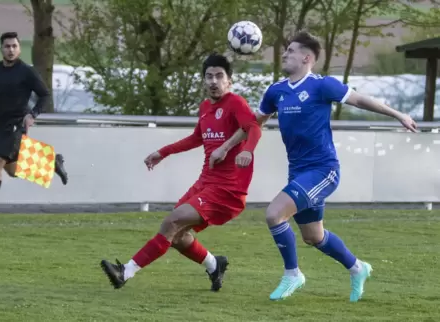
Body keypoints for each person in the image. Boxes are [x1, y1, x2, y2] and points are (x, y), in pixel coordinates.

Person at [212, 31, 417, 302]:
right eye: (286, 51)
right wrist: (226, 147)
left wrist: (398, 114)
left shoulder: (322, 86)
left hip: (323, 170)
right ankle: (358, 268)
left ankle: (292, 274)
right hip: (298, 171)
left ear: (307, 58)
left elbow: (361, 100)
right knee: (313, 236)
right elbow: (253, 123)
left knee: (274, 214)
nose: (285, 54)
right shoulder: (277, 91)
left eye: (292, 51)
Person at [100, 53, 262, 292]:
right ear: (203, 80)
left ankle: (126, 271)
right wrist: (163, 152)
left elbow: (254, 128)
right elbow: (197, 138)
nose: (213, 81)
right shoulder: (206, 107)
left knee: (172, 221)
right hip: (206, 182)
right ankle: (214, 264)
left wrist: (247, 150)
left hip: (228, 188)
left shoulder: (236, 103)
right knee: (176, 235)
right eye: (209, 76)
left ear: (229, 81)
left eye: (219, 76)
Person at [0, 32, 69, 225]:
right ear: (1, 49)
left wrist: (32, 114)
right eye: (7, 46)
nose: (11, 50)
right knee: (11, 170)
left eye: (14, 46)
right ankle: (52, 163)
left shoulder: (26, 71)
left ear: (19, 48)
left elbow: (44, 95)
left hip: (16, 125)